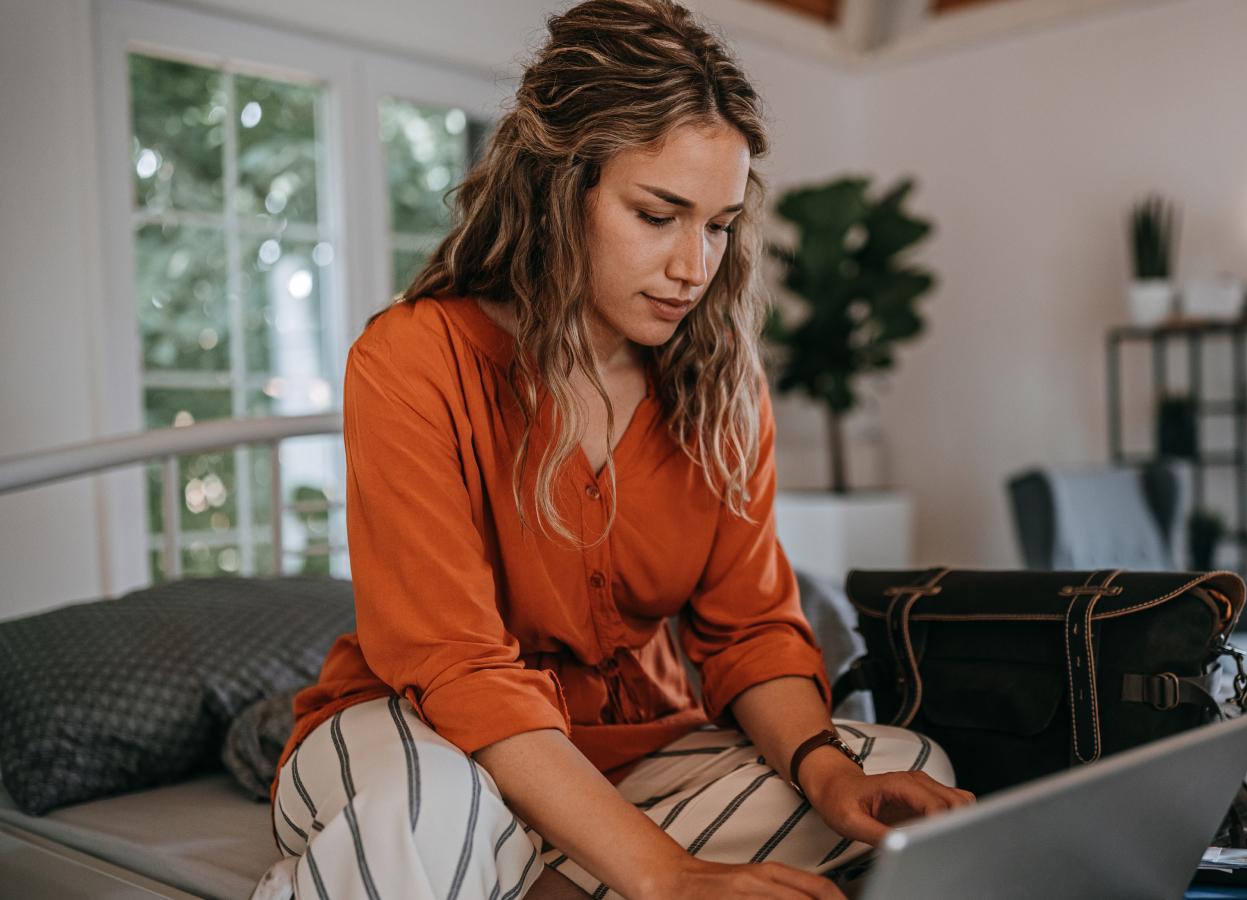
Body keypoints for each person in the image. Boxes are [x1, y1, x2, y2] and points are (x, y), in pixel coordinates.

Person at [258, 2, 973, 898]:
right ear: (562, 193)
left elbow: (749, 630)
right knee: (430, 812)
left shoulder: (721, 387)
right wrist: (668, 875)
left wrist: (831, 776)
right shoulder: (411, 359)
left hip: (636, 761)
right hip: (415, 734)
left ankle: (532, 874)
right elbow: (457, 666)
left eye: (717, 224)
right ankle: (552, 867)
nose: (694, 265)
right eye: (657, 214)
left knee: (911, 771)